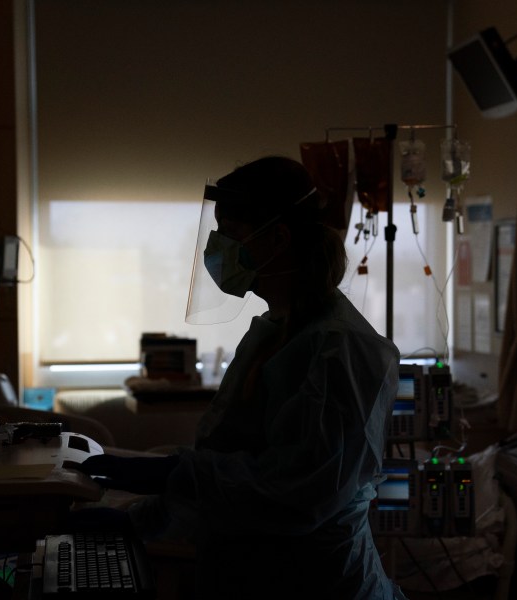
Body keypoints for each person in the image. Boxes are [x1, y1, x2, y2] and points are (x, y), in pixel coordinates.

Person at [78, 156, 404, 599]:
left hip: (319, 581)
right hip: (255, 572)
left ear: (278, 237)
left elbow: (295, 493)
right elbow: (230, 473)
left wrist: (174, 474)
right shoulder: (273, 331)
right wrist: (142, 518)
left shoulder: (342, 350)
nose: (217, 249)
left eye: (230, 233)